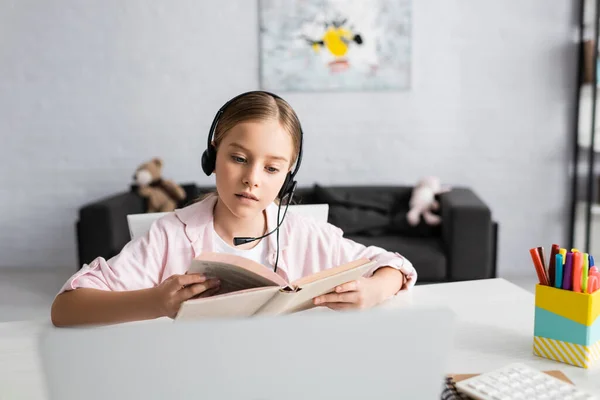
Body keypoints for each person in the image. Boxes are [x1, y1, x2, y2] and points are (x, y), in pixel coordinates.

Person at [51, 91, 417, 327]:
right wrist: (156, 301)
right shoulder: (169, 236)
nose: (252, 179)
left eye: (272, 168)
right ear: (213, 155)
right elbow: (66, 308)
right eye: (239, 158)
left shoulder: (304, 234)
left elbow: (396, 266)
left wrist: (375, 290)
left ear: (287, 178)